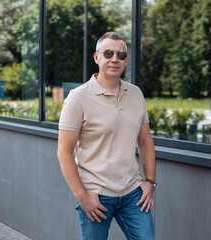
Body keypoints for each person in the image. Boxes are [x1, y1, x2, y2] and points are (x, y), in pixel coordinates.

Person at [57, 32, 156, 240]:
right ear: (96, 57)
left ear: (126, 60)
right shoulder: (78, 97)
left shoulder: (136, 94)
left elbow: (145, 141)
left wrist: (149, 181)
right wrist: (82, 196)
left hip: (133, 194)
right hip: (96, 196)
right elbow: (64, 152)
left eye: (121, 55)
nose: (115, 59)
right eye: (108, 53)